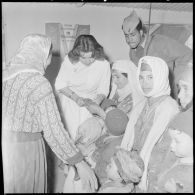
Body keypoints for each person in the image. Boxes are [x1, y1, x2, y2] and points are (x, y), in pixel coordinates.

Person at [2, 34, 98, 193]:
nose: (48, 62)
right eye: (48, 57)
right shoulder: (39, 83)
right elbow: (54, 131)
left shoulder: (6, 77)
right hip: (26, 152)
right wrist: (80, 163)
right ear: (41, 55)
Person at [120, 56, 180, 191]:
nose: (144, 83)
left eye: (150, 77)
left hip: (155, 172)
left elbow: (166, 152)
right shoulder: (141, 105)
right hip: (133, 168)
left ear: (160, 77)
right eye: (141, 77)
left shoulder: (169, 108)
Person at [122, 10, 192, 99]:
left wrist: (177, 83)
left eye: (132, 35)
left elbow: (187, 54)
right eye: (126, 36)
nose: (129, 39)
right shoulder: (132, 52)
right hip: (150, 96)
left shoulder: (159, 42)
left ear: (140, 32)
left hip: (169, 95)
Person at [147, 62, 193, 193]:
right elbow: (160, 156)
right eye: (179, 89)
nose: (178, 96)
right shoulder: (180, 119)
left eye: (186, 88)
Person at [55, 34, 111, 141]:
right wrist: (76, 98)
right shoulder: (69, 61)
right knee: (70, 138)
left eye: (91, 57)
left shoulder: (104, 64)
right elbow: (60, 84)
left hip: (90, 104)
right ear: (77, 54)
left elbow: (103, 88)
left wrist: (96, 102)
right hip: (70, 100)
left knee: (87, 138)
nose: (88, 61)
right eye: (83, 57)